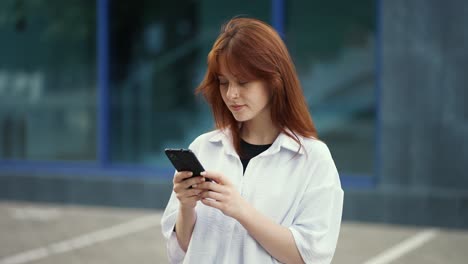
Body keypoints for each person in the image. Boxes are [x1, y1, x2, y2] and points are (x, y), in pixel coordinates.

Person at [161, 17, 343, 264]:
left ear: (274, 80)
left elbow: (309, 256)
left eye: (243, 82)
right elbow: (181, 251)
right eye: (224, 83)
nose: (231, 94)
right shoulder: (204, 147)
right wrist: (186, 206)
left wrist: (240, 209)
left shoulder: (312, 158)